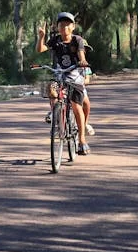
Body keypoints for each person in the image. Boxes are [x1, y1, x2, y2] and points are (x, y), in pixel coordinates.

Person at [36, 11, 94, 155]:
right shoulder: (55, 40)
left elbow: (81, 53)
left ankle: (81, 140)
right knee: (50, 88)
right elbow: (40, 49)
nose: (65, 27)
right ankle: (55, 110)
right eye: (62, 25)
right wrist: (41, 37)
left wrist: (82, 61)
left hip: (75, 74)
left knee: (76, 105)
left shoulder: (78, 40)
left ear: (73, 26)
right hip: (60, 73)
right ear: (57, 27)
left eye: (68, 25)